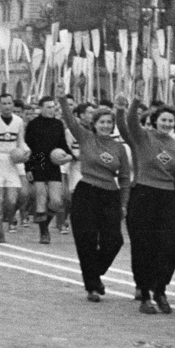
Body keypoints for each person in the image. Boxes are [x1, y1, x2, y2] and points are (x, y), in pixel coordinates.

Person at [59, 93, 132, 300]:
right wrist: (63, 98)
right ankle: (91, 286)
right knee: (86, 240)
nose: (106, 126)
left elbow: (125, 178)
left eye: (110, 122)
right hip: (86, 192)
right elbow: (69, 119)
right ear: (94, 123)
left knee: (114, 241)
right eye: (102, 122)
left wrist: (124, 204)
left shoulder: (119, 148)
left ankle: (94, 274)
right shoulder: (85, 137)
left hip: (110, 195)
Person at [119, 94, 175, 314]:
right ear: (155, 120)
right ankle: (145, 294)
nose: (166, 124)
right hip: (144, 196)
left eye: (170, 121)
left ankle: (161, 290)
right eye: (163, 120)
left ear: (174, 124)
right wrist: (135, 101)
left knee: (169, 246)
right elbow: (129, 122)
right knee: (143, 247)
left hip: (167, 199)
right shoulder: (143, 138)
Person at [25, 95, 70, 245]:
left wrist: (69, 156)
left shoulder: (58, 124)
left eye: (54, 107)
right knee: (41, 198)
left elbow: (63, 145)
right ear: (41, 108)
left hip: (53, 163)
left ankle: (44, 223)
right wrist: (28, 168)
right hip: (38, 162)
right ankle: (44, 232)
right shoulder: (33, 124)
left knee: (57, 201)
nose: (52, 110)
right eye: (49, 107)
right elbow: (27, 148)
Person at [0, 93, 27, 244]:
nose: (7, 106)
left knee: (11, 200)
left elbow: (20, 141)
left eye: (10, 103)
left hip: (12, 161)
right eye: (4, 103)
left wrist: (23, 153)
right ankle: (0, 234)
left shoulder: (19, 121)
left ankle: (4, 217)